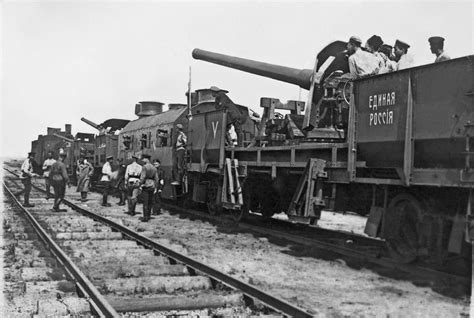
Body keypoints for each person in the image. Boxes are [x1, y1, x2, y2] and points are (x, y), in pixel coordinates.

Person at [139, 154, 159, 222]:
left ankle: (145, 217)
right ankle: (149, 216)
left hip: (146, 185)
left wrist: (140, 184)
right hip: (152, 185)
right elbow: (157, 178)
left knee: (145, 202)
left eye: (143, 159)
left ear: (146, 159)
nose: (142, 160)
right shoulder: (154, 168)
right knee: (150, 202)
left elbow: (143, 177)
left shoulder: (144, 167)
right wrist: (155, 186)